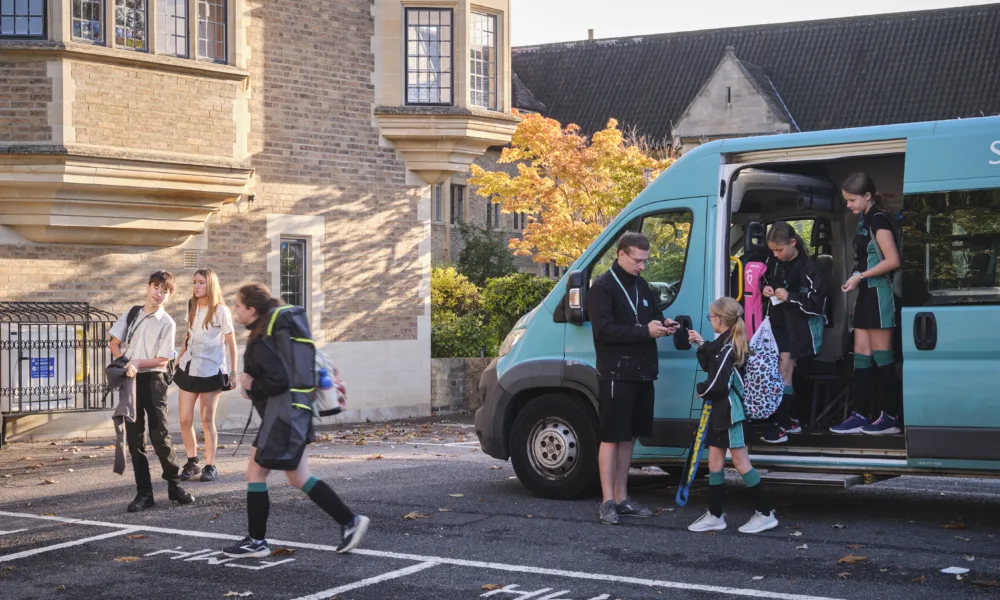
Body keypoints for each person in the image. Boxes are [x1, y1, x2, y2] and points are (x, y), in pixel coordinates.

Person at [222, 284, 369, 557]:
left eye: (238, 306)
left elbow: (278, 381)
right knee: (299, 476)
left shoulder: (262, 341)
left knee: (256, 473)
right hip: (294, 414)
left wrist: (253, 384)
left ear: (251, 310)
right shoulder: (271, 334)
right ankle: (350, 521)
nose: (235, 311)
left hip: (280, 419)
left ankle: (256, 542)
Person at [587, 232, 679, 525]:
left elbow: (650, 316)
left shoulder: (642, 285)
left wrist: (664, 324)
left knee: (629, 438)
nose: (642, 266)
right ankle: (607, 502)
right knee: (611, 437)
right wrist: (644, 332)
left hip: (643, 371)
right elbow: (604, 331)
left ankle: (623, 497)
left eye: (645, 261)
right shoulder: (601, 288)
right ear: (622, 254)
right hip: (616, 372)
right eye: (638, 260)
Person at [687, 297, 778, 534]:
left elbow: (717, 383)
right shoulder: (727, 343)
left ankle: (765, 513)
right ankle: (715, 514)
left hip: (731, 414)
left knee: (741, 462)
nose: (710, 321)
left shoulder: (729, 348)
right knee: (714, 463)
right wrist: (700, 344)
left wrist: (701, 391)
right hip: (722, 411)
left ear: (719, 320)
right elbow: (712, 363)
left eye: (711, 317)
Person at [108, 270, 194, 512]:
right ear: (147, 288)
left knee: (160, 436)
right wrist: (124, 362)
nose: (159, 293)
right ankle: (144, 493)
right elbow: (113, 342)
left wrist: (137, 363)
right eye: (156, 287)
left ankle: (174, 487)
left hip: (154, 381)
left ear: (169, 296)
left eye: (165, 291)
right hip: (131, 382)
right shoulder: (132, 313)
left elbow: (164, 359)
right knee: (135, 440)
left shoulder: (167, 322)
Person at [832, 172, 903, 435]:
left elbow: (892, 260)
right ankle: (861, 413)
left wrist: (859, 276)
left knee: (883, 357)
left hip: (879, 293)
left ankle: (891, 416)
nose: (848, 204)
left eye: (851, 200)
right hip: (865, 293)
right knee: (860, 356)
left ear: (867, 196)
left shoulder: (879, 219)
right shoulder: (864, 219)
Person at [759, 221, 829, 443]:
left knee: (785, 369)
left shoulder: (809, 267)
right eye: (772, 251)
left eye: (779, 250)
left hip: (796, 328)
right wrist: (765, 288)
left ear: (793, 242)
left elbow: (818, 303)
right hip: (773, 325)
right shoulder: (772, 262)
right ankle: (786, 420)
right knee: (776, 370)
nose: (776, 255)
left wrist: (790, 296)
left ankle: (781, 420)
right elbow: (763, 279)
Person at [174, 269, 238, 482]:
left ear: (210, 285)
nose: (196, 286)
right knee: (184, 419)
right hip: (189, 367)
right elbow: (188, 335)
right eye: (194, 282)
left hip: (211, 371)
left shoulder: (221, 310)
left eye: (201, 282)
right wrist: (178, 358)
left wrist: (234, 372)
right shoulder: (191, 305)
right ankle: (192, 462)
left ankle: (210, 465)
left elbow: (231, 342)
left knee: (207, 419)